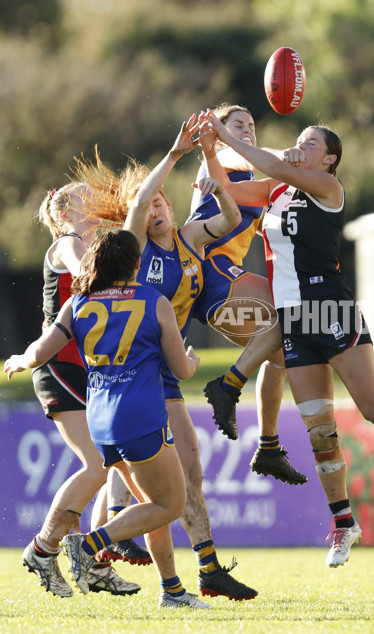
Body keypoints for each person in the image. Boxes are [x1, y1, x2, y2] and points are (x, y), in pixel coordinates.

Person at [198, 109, 374, 568]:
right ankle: (343, 523)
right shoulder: (276, 190)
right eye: (300, 139)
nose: (301, 146)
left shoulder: (328, 189)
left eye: (312, 143)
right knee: (321, 432)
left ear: (329, 159)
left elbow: (278, 165)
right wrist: (208, 151)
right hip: (295, 321)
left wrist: (225, 135)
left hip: (332, 311)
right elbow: (227, 189)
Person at [73, 114, 258, 600]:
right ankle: (104, 541)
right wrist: (175, 153)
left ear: (172, 207)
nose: (154, 209)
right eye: (148, 204)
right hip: (139, 372)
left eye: (160, 202)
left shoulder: (190, 237)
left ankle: (186, 574)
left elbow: (235, 220)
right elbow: (136, 202)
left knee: (185, 475)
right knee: (163, 489)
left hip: (164, 372)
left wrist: (213, 165)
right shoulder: (133, 250)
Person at [5, 229, 209, 609]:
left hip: (100, 420)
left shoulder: (78, 302)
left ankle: (173, 592)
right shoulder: (154, 300)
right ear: (136, 264)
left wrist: (19, 360)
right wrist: (194, 360)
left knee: (149, 505)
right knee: (171, 504)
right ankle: (89, 545)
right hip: (141, 418)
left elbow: (40, 351)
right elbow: (181, 370)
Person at [22, 182, 144, 600]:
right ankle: (44, 548)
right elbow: (86, 276)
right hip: (59, 366)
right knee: (97, 464)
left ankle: (89, 562)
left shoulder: (89, 242)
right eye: (84, 198)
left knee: (107, 465)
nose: (95, 202)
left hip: (82, 369)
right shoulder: (68, 244)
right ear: (63, 215)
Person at [187, 104, 306, 486]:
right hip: (212, 270)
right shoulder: (223, 154)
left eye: (253, 125)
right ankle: (227, 385)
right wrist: (291, 154)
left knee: (281, 350)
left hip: (211, 278)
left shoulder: (244, 171)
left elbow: (257, 221)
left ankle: (268, 446)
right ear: (220, 130)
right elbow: (246, 158)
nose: (249, 130)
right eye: (239, 123)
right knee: (290, 317)